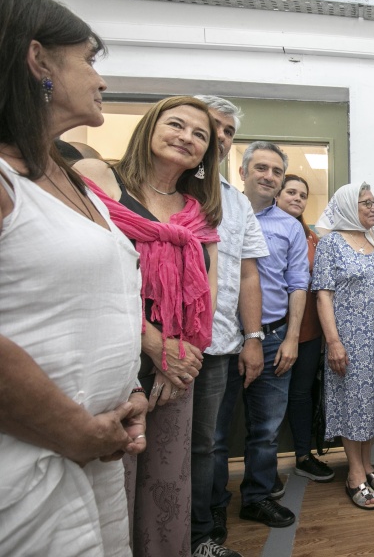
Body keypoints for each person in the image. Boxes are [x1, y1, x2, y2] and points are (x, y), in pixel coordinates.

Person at [0, 0, 147, 557]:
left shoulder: (71, 179)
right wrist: (71, 429)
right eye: (89, 60)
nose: (101, 78)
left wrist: (128, 389)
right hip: (29, 458)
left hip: (95, 448)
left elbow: (94, 300)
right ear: (39, 60)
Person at [75, 95, 222, 557]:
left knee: (167, 485)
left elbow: (208, 295)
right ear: (149, 127)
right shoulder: (98, 179)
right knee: (112, 483)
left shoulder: (198, 212)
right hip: (110, 356)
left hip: (177, 367)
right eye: (176, 125)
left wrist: (176, 358)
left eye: (200, 135)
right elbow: (83, 276)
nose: (187, 137)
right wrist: (152, 343)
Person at [211, 142, 307, 532]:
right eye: (261, 168)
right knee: (214, 434)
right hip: (221, 341)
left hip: (272, 340)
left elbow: (298, 284)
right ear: (242, 171)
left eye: (276, 171)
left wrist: (291, 339)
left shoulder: (289, 227)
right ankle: (212, 505)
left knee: (266, 431)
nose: (269, 176)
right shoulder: (216, 214)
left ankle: (257, 497)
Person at [193, 95, 267, 557]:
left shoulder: (236, 203)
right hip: (161, 343)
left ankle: (201, 534)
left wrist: (253, 337)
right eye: (212, 126)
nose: (220, 137)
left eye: (228, 132)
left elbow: (247, 273)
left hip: (219, 344)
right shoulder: (157, 187)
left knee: (207, 446)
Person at [312, 182, 374, 509]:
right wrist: (333, 342)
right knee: (351, 405)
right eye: (365, 203)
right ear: (346, 207)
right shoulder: (331, 244)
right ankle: (354, 473)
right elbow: (323, 296)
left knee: (372, 404)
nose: (373, 207)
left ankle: (368, 465)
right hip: (349, 342)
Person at [276, 174, 335, 483]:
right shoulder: (262, 229)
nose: (297, 198)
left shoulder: (313, 236)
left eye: (303, 194)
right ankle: (263, 469)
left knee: (301, 395)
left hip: (310, 333)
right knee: (268, 401)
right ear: (277, 193)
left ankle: (302, 455)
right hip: (274, 331)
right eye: (291, 192)